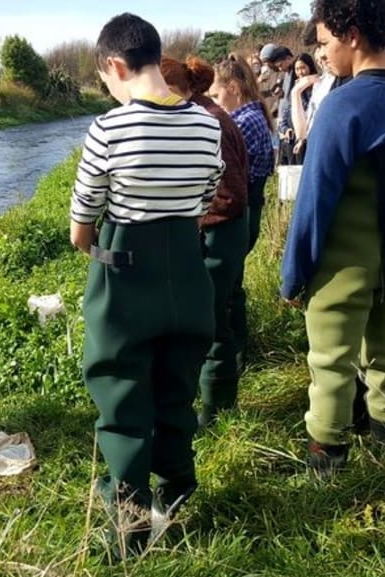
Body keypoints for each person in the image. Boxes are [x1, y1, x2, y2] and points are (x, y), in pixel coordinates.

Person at [69, 12, 223, 560]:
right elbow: (204, 204)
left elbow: (80, 227)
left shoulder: (108, 129)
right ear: (157, 59)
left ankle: (128, 530)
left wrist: (100, 249)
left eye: (104, 77)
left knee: (122, 397)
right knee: (177, 392)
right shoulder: (208, 124)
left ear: (115, 65)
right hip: (187, 271)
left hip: (125, 279)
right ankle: (177, 503)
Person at [279, 0, 385, 476]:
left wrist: (294, 277)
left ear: (352, 34)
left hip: (345, 262)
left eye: (327, 42)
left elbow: (314, 201)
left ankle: (326, 463)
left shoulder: (343, 106)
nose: (324, 54)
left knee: (330, 363)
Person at [160, 55, 249, 428]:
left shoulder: (206, 121)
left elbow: (229, 196)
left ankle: (216, 412)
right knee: (218, 314)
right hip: (222, 231)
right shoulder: (203, 113)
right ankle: (218, 399)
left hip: (221, 233)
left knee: (212, 322)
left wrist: (191, 221)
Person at [209, 56, 275, 377]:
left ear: (233, 88)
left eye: (216, 94)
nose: (214, 102)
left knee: (229, 288)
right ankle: (239, 351)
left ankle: (233, 355)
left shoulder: (240, 122)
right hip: (251, 208)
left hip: (242, 212)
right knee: (234, 285)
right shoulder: (253, 114)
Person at [280, 53, 319, 161]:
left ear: (310, 67)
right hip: (295, 144)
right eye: (297, 69)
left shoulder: (318, 88)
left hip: (313, 141)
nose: (300, 72)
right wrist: (286, 130)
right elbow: (283, 121)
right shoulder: (293, 92)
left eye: (303, 68)